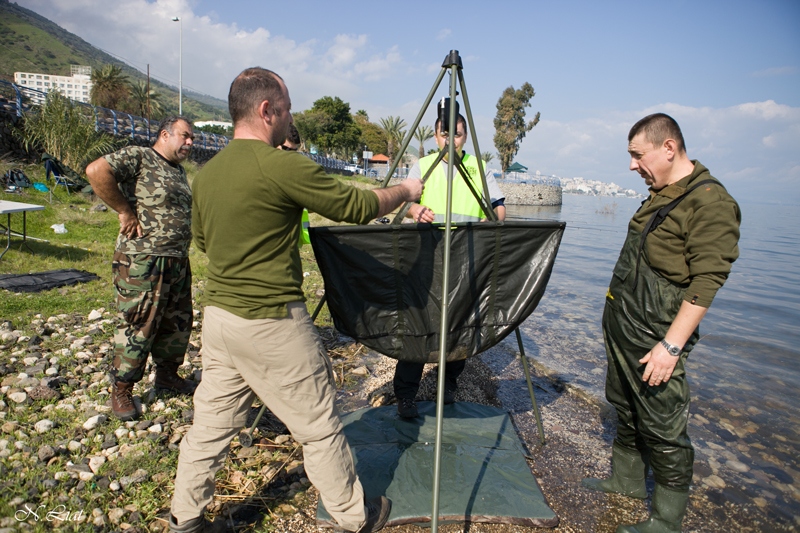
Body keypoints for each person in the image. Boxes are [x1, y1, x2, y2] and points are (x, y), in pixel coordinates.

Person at [168, 67, 422, 533]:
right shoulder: (282, 164)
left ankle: (186, 519)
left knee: (210, 426)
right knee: (319, 425)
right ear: (267, 111)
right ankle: (354, 516)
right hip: (272, 323)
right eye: (286, 111)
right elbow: (357, 207)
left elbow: (203, 242)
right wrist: (406, 190)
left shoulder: (206, 175)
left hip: (220, 321)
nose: (290, 120)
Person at [582, 113, 740, 533]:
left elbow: (708, 280)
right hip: (625, 327)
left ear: (668, 148)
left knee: (664, 425)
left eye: (638, 155)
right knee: (626, 406)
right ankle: (627, 482)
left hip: (656, 337)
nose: (632, 165)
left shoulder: (709, 201)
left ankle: (667, 521)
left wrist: (671, 347)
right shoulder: (661, 191)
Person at [393, 112, 506, 419]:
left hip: (465, 261)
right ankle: (406, 395)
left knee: (460, 327)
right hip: (427, 261)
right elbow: (402, 204)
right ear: (435, 136)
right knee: (418, 326)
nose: (450, 141)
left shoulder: (479, 169)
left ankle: (448, 388)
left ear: (465, 137)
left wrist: (490, 222)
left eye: (456, 135)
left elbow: (499, 209)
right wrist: (414, 209)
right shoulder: (423, 166)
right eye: (444, 134)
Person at [85, 116, 197, 422]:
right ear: (164, 134)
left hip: (175, 259)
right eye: (185, 136)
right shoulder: (141, 156)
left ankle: (167, 377)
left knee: (176, 321)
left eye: (192, 139)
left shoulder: (177, 170)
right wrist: (124, 210)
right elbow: (96, 171)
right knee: (140, 323)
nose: (190, 143)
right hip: (142, 259)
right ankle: (122, 389)